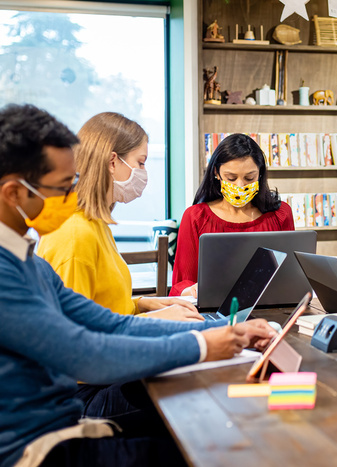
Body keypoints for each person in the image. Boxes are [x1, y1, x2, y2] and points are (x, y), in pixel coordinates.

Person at [0, 104, 277, 467]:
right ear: (14, 194)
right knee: (217, 443)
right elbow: (85, 354)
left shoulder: (28, 261)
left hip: (62, 425)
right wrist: (204, 343)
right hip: (40, 449)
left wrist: (226, 331)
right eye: (63, 186)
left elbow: (110, 321)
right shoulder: (10, 271)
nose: (73, 193)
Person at [37, 112, 200, 321]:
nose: (144, 172)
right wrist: (157, 319)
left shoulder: (94, 224)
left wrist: (142, 304)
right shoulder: (74, 234)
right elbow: (73, 333)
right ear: (112, 162)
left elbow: (103, 306)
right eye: (141, 163)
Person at [171, 133, 294, 297]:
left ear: (260, 174)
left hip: (269, 309)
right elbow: (181, 283)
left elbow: (292, 276)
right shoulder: (195, 217)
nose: (240, 185)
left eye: (250, 178)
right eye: (231, 178)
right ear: (216, 173)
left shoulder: (280, 214)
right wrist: (191, 290)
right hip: (212, 314)